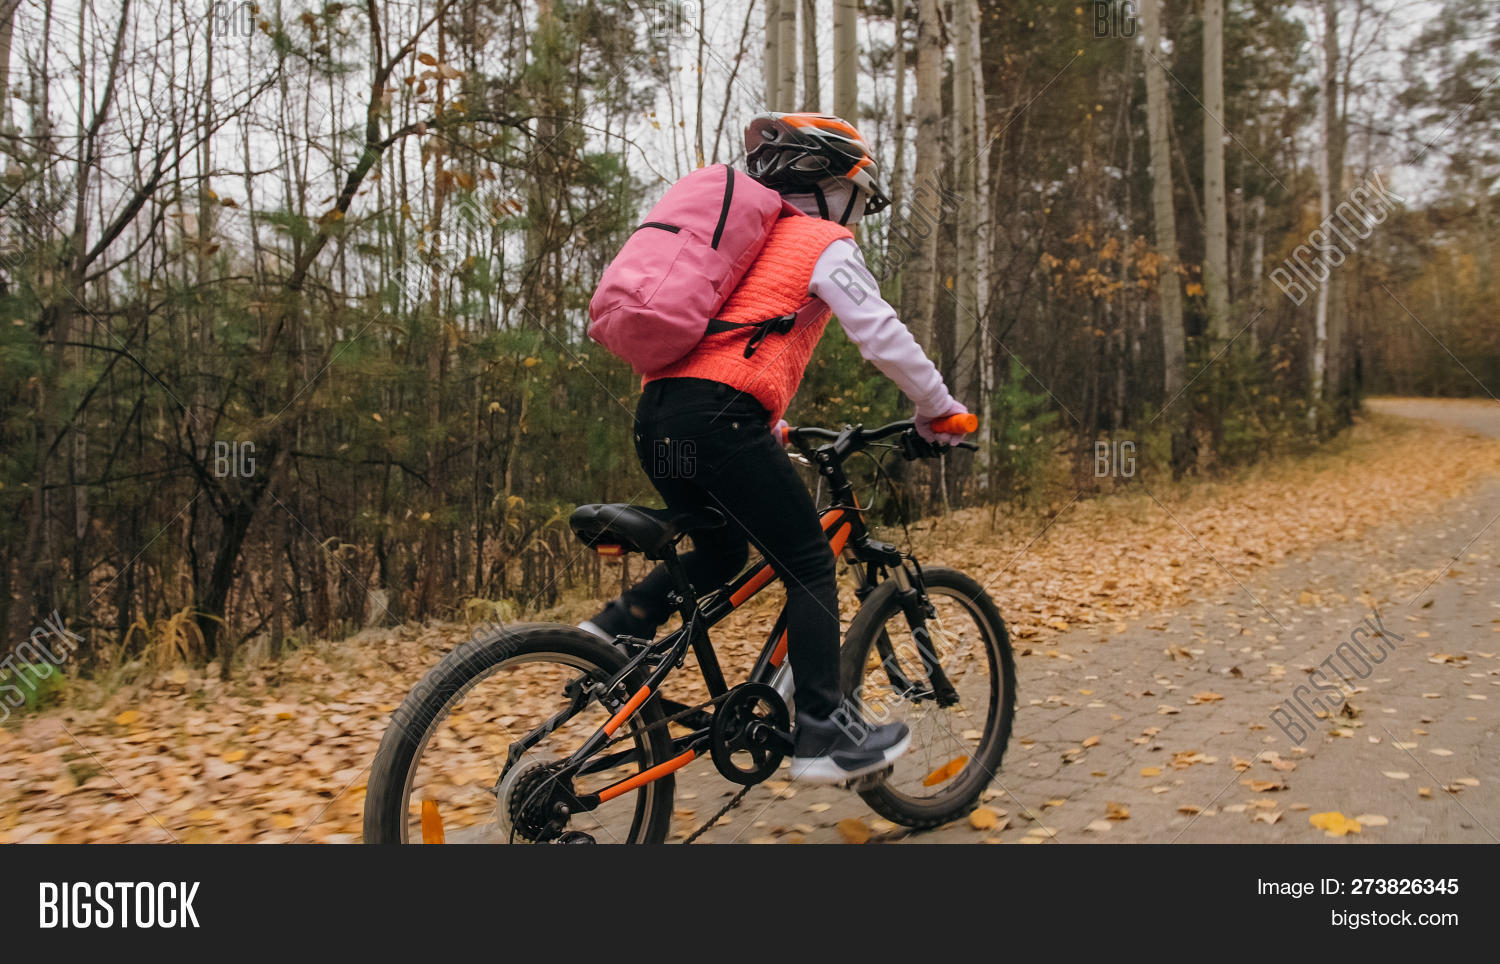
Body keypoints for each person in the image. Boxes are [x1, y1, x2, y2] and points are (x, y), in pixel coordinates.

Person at [581, 112, 971, 784]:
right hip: (721, 422)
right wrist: (938, 408)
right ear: (824, 182)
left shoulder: (736, 250)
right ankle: (823, 730)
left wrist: (769, 427)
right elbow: (880, 332)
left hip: (663, 420)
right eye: (856, 192)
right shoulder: (820, 241)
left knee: (723, 546)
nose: (857, 212)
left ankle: (616, 629)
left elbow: (726, 348)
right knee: (810, 562)